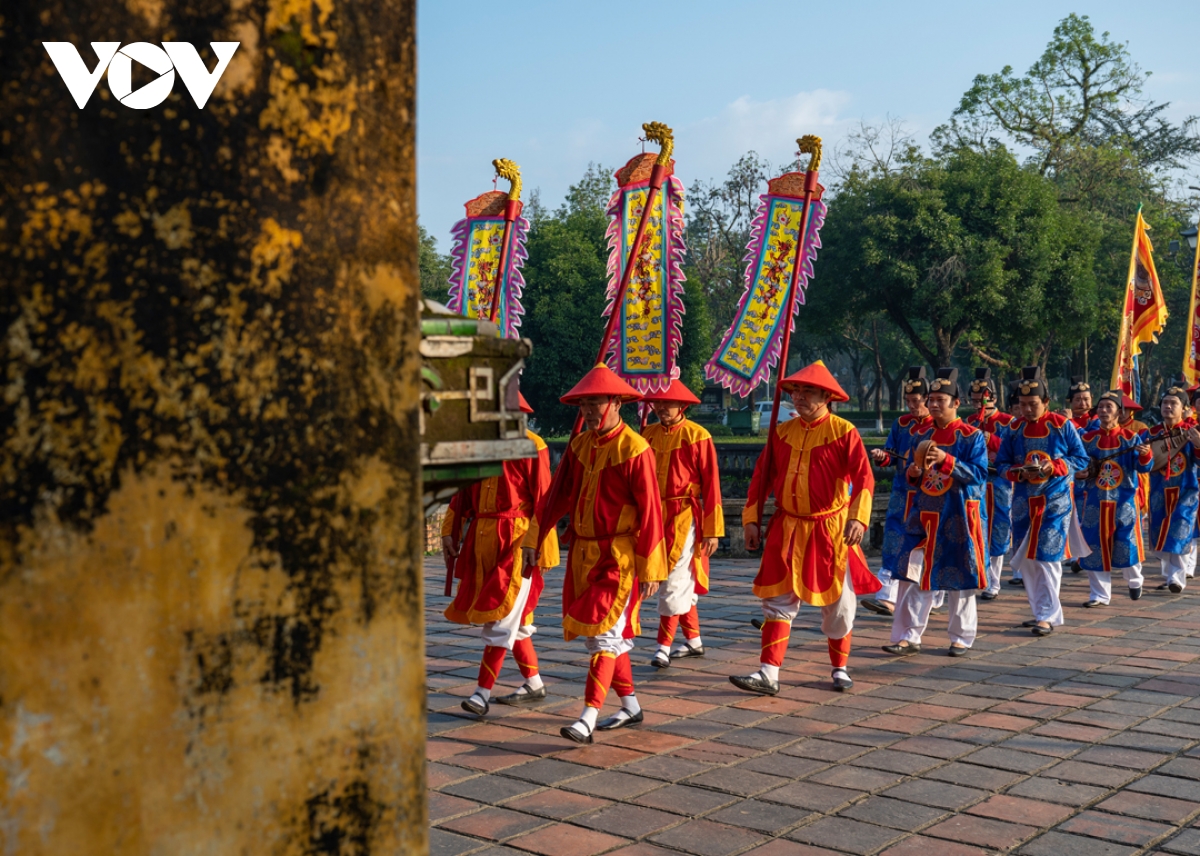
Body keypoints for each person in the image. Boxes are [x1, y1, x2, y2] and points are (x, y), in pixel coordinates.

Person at [535, 364, 667, 744]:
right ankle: (630, 705)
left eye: (596, 402)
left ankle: (587, 716)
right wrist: (534, 538)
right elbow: (555, 497)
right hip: (582, 553)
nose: (590, 411)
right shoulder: (579, 445)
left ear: (617, 403)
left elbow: (651, 511)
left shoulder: (635, 449)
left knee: (606, 634)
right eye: (584, 404)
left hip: (619, 556)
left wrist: (652, 566)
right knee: (605, 636)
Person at [731, 360, 877, 695]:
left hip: (830, 530)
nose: (799, 397)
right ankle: (769, 673)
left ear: (826, 396)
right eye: (796, 391)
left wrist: (858, 517)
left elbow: (864, 478)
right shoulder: (781, 432)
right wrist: (751, 520)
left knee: (840, 605)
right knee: (777, 601)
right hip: (787, 527)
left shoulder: (844, 432)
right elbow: (760, 480)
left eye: (807, 391)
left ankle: (839, 668)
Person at [443, 393, 560, 716]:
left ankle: (481, 694)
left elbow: (544, 501)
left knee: (501, 618)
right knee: (515, 622)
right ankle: (534, 682)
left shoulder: (533, 446)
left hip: (516, 542)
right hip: (482, 541)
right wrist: (449, 533)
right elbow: (461, 496)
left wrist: (540, 547)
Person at [885, 368, 989, 657]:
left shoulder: (971, 436)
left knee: (960, 578)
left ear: (956, 403)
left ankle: (961, 637)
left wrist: (947, 460)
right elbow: (910, 473)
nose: (933, 404)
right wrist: (915, 472)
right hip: (925, 514)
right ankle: (909, 635)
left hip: (958, 515)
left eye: (940, 399)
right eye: (930, 399)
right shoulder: (921, 434)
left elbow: (979, 474)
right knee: (917, 573)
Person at [995, 366, 1090, 637]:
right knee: (1027, 560)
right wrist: (1016, 472)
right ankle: (1040, 612)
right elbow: (1001, 464)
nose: (1026, 409)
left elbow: (1081, 459)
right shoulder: (1013, 429)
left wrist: (1056, 467)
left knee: (1047, 557)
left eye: (1032, 404)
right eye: (1022, 404)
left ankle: (1047, 616)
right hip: (1024, 502)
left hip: (1055, 501)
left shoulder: (1062, 426)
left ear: (1046, 402)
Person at [640, 379, 725, 668]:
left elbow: (712, 484)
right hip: (651, 514)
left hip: (683, 514)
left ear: (682, 405)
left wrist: (713, 530)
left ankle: (663, 646)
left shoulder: (698, 435)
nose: (661, 408)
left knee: (675, 578)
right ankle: (693, 640)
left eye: (667, 403)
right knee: (672, 577)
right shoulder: (646, 434)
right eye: (657, 403)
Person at [863, 367, 931, 617]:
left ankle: (930, 595)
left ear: (927, 399)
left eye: (916, 401)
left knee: (925, 546)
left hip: (928, 496)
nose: (911, 406)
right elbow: (890, 454)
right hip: (902, 492)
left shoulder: (938, 425)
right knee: (893, 540)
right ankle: (886, 595)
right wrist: (883, 455)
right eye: (908, 401)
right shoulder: (901, 424)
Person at [1076, 390, 1153, 606]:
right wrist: (1080, 472)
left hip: (1124, 501)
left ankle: (1135, 580)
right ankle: (1099, 595)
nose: (1103, 411)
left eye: (1108, 407)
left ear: (1119, 412)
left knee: (1127, 542)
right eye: (1100, 407)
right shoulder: (1087, 438)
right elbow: (1079, 465)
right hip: (1095, 501)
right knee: (1093, 544)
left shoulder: (1131, 438)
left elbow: (1143, 466)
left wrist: (1146, 453)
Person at [964, 368, 1015, 601]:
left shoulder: (1008, 421)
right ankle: (980, 575)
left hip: (1000, 482)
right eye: (974, 400)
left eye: (982, 399)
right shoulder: (970, 421)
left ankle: (994, 581)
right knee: (977, 527)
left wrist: (991, 440)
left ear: (992, 397)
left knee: (999, 527)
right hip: (977, 483)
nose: (978, 404)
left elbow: (1013, 449)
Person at [1147, 385, 1200, 594]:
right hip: (1159, 490)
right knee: (1161, 532)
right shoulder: (1151, 433)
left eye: (1173, 403)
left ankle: (1177, 577)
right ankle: (1169, 574)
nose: (1168, 407)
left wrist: (1198, 445)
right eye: (1165, 403)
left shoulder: (1192, 431)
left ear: (1184, 408)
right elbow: (1142, 464)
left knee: (1180, 531)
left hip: (1186, 490)